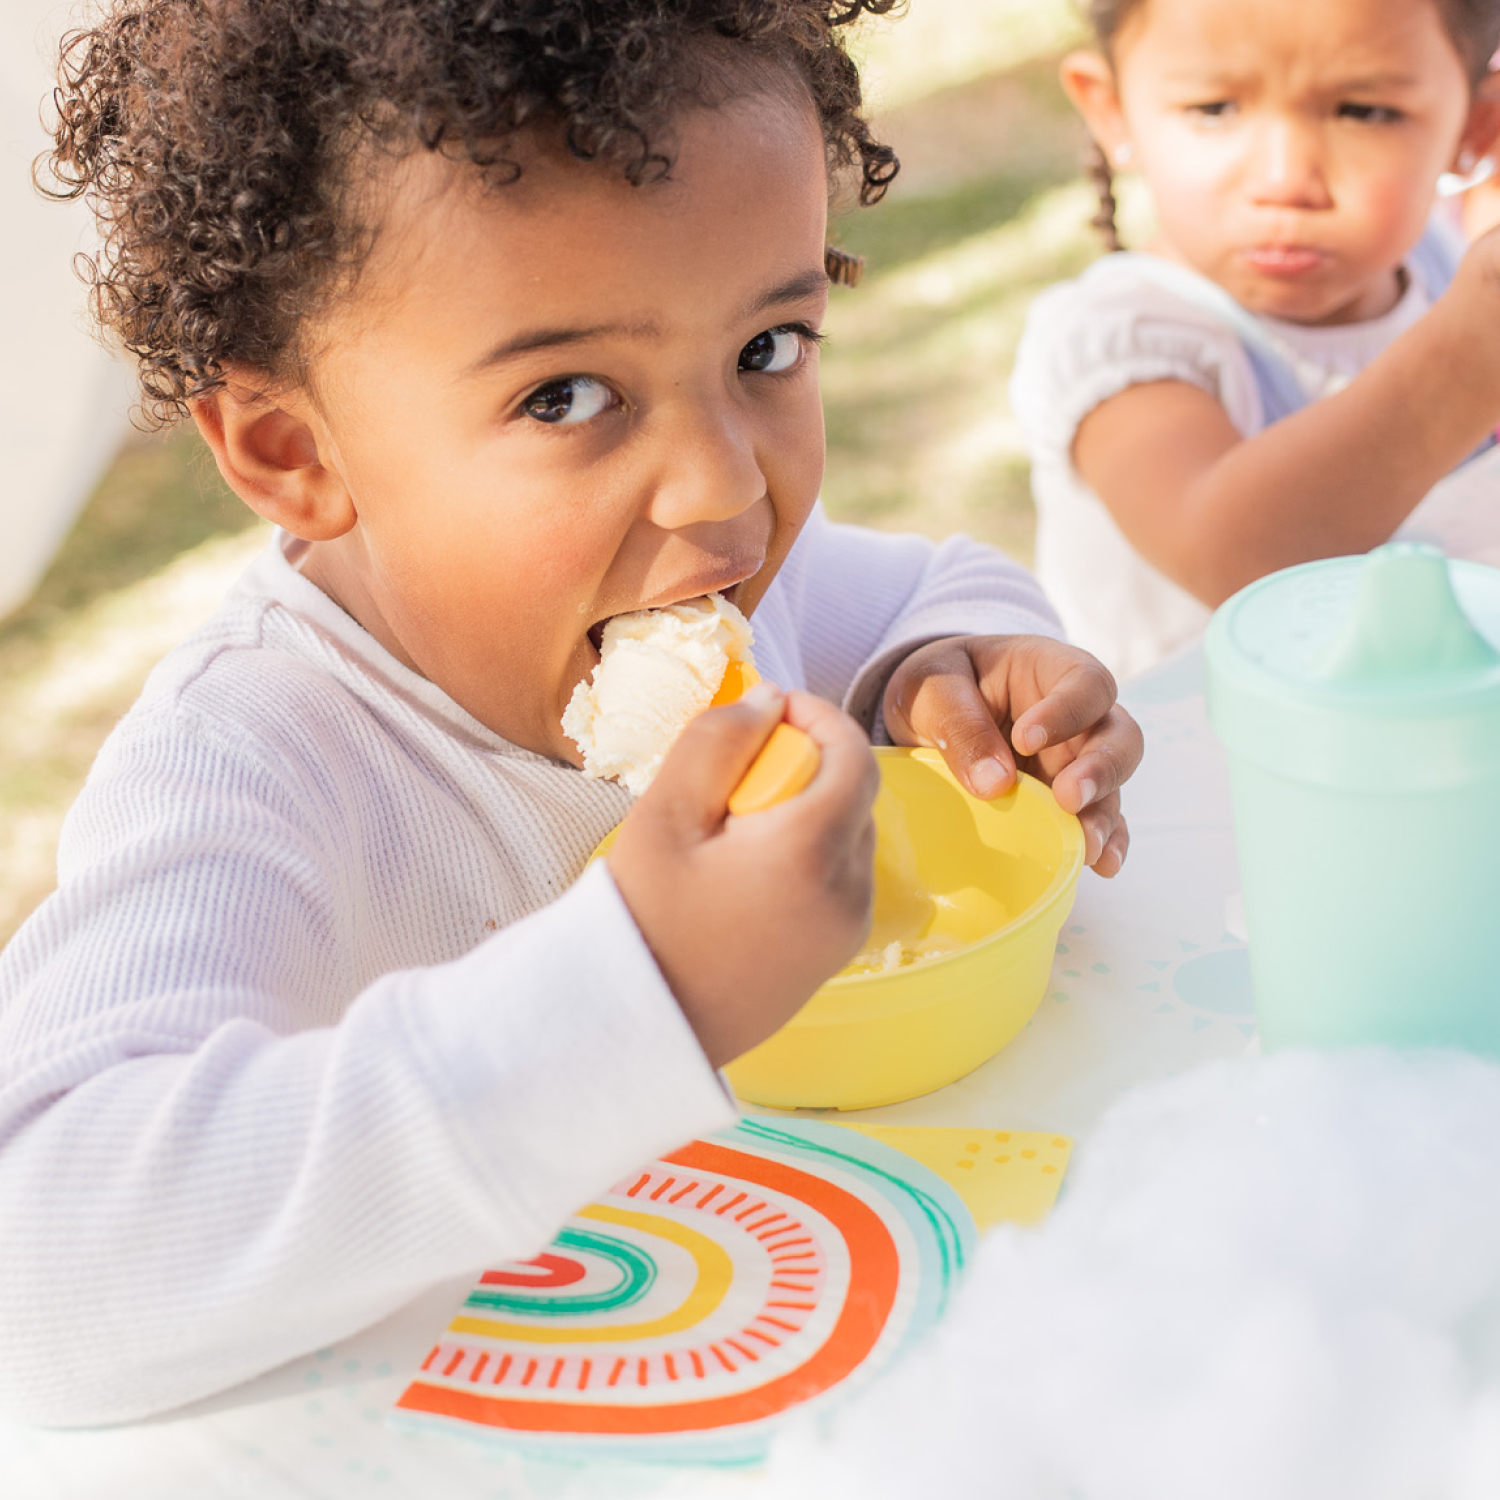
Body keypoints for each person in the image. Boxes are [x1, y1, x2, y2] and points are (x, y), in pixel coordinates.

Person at [0, 0, 1143, 1427]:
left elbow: (933, 582)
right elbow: (42, 1265)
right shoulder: (251, 764)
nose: (725, 491)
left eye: (769, 350)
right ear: (294, 451)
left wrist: (956, 670)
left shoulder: (735, 596)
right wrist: (639, 987)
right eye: (570, 395)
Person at [1011, 0, 1500, 680]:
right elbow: (1232, 557)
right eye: (1214, 109)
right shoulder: (1122, 341)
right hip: (1190, 765)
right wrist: (1468, 362)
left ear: (1474, 125)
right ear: (1112, 111)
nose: (1283, 181)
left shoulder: (1445, 265)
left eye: (1363, 111)